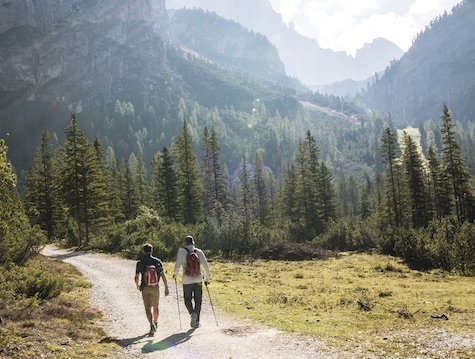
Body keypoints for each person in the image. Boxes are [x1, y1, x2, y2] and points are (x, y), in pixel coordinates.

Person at [173, 235, 210, 328]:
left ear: (185, 243)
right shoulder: (199, 252)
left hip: (186, 280)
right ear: (193, 242)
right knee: (198, 300)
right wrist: (206, 279)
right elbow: (206, 266)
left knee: (187, 299)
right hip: (198, 279)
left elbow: (177, 265)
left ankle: (192, 313)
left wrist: (175, 275)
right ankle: (197, 321)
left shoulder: (182, 252)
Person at [135, 243, 169, 335]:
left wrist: (137, 285)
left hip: (145, 287)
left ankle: (151, 325)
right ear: (152, 251)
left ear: (143, 251)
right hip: (155, 287)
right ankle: (156, 322)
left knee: (147, 308)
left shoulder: (140, 262)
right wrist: (166, 287)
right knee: (156, 307)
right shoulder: (157, 261)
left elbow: (137, 276)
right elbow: (162, 275)